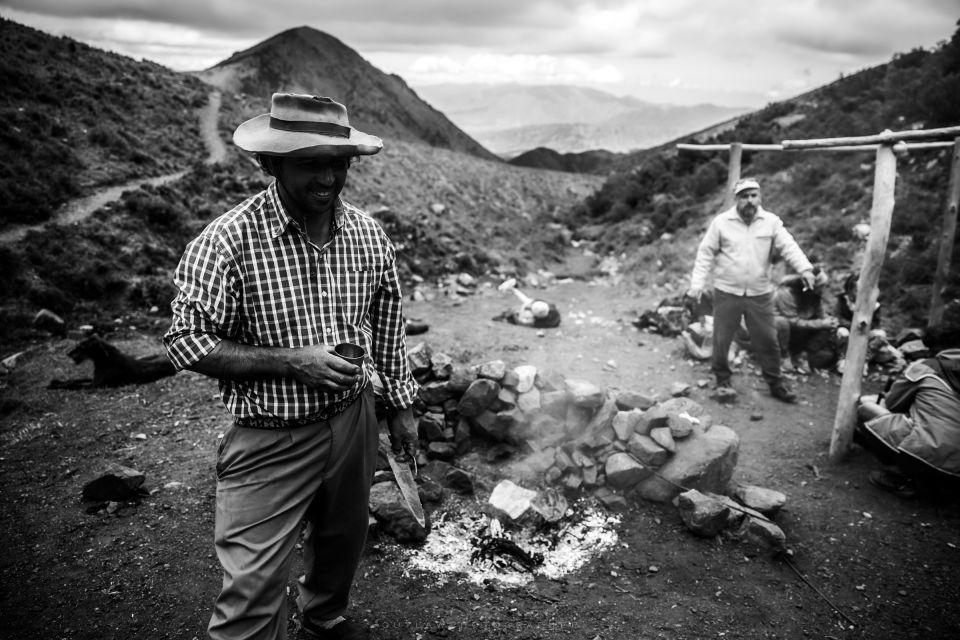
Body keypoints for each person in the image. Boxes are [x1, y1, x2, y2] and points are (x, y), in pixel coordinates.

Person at [164, 93, 419, 640]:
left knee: (342, 538)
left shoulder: (369, 236)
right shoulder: (228, 242)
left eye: (337, 162)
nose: (327, 178)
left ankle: (323, 616)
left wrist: (399, 406)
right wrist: (291, 363)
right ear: (270, 163)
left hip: (354, 421)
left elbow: (388, 323)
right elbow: (185, 341)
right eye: (309, 162)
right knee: (251, 593)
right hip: (269, 437)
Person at [687, 178, 817, 402]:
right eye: (744, 196)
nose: (749, 201)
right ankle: (722, 378)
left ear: (760, 197)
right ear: (736, 199)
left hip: (759, 293)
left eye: (753, 195)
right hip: (727, 291)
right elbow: (705, 253)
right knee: (721, 338)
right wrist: (697, 285)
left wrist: (805, 268)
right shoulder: (721, 222)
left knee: (768, 339)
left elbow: (789, 245)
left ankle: (776, 383)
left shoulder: (771, 222)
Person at [855, 326, 960, 498]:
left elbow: (893, 403)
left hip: (929, 456)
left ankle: (906, 477)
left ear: (931, 347)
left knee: (866, 409)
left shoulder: (928, 367)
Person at [773, 267, 839, 374]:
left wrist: (830, 321)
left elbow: (821, 314)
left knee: (828, 328)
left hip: (799, 332)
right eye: (822, 286)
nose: (823, 289)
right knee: (782, 323)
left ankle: (803, 356)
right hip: (780, 331)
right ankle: (784, 356)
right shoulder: (786, 293)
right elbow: (792, 321)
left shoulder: (814, 296)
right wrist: (821, 323)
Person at [494, 278, 561, 328]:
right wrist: (514, 290)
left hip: (543, 320)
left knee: (514, 311)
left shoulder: (539, 322)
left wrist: (516, 315)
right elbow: (526, 300)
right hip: (549, 318)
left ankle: (504, 317)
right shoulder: (550, 308)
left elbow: (522, 322)